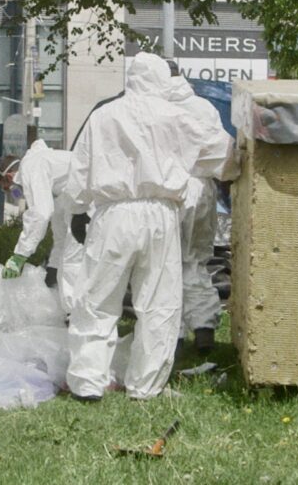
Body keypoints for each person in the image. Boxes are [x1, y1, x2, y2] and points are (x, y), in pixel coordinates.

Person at [64, 52, 237, 401]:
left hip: (112, 213)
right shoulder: (177, 115)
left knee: (97, 299)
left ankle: (86, 381)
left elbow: (80, 168)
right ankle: (145, 386)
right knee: (159, 302)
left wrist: (78, 210)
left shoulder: (104, 115)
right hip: (161, 213)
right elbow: (225, 157)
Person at [168, 72, 238, 356]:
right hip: (203, 189)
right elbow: (223, 149)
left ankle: (173, 335)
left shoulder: (157, 108)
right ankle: (204, 327)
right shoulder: (203, 107)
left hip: (171, 191)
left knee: (166, 265)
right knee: (195, 261)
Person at [0, 140, 84, 313]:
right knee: (68, 251)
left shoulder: (31, 169)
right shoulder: (50, 179)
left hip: (90, 200)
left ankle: (74, 317)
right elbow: (60, 236)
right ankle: (72, 311)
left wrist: (20, 255)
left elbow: (40, 214)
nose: (13, 192)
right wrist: (52, 271)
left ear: (9, 177)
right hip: (80, 199)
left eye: (7, 188)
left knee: (73, 261)